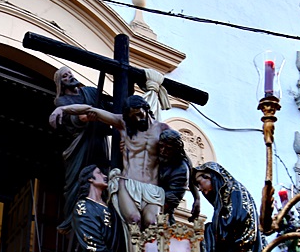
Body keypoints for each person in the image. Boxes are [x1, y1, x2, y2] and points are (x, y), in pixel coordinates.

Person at [50, 94, 167, 229]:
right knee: (134, 221)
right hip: (129, 183)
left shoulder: (163, 129)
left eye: (139, 114)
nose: (137, 119)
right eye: (133, 116)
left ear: (146, 108)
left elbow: (181, 157)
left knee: (152, 224)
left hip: (152, 187)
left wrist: (196, 196)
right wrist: (63, 109)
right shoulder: (124, 123)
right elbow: (90, 110)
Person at [50, 67, 110, 232]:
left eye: (70, 74)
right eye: (65, 76)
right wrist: (90, 115)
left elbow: (109, 104)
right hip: (82, 144)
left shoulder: (89, 92)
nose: (69, 77)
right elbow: (78, 118)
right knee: (77, 180)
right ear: (60, 83)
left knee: (104, 173)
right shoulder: (62, 101)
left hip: (98, 139)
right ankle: (71, 218)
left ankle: (103, 210)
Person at [156, 128, 200, 223]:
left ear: (176, 150)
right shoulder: (156, 153)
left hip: (162, 215)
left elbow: (169, 202)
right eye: (161, 146)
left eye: (168, 149)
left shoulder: (181, 170)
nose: (163, 151)